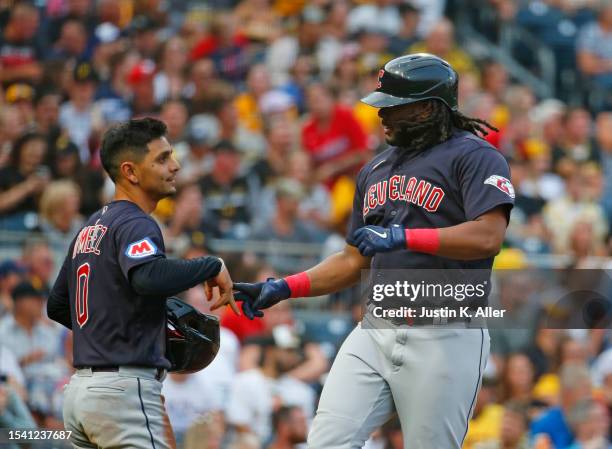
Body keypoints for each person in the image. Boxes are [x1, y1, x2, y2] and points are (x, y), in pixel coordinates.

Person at [234, 53, 515, 449]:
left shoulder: (475, 155)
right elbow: (353, 259)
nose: (382, 116)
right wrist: (284, 287)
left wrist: (405, 237)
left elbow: (488, 236)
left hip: (445, 332)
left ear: (427, 109)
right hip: (376, 328)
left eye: (393, 107)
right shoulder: (376, 169)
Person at [46, 118, 240, 449]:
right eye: (162, 158)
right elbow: (147, 277)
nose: (175, 166)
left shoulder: (91, 226)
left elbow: (58, 305)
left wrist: (113, 333)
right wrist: (211, 264)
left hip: (81, 393)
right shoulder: (137, 223)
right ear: (131, 172)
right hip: (122, 390)